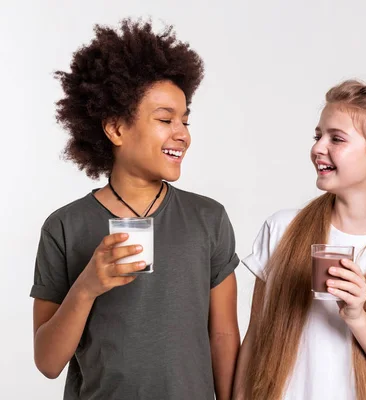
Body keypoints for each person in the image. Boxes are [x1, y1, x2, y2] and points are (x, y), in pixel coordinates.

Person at [30, 19, 240, 400]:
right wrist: (87, 287)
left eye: (185, 120)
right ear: (116, 129)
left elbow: (223, 334)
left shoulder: (208, 219)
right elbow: (47, 362)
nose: (182, 133)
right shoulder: (64, 226)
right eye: (165, 119)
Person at [234, 79, 366, 400]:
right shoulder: (283, 229)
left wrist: (357, 316)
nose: (318, 148)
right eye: (318, 136)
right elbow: (255, 340)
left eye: (337, 138)